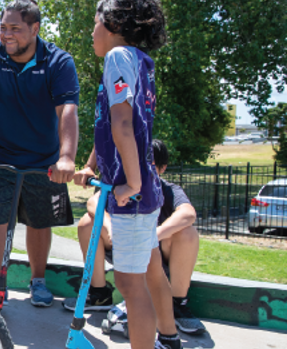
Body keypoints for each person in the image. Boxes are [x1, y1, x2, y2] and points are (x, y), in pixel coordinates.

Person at [73, 0, 181, 349]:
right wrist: (90, 165)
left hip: (131, 194)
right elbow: (114, 124)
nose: (91, 32)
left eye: (96, 22)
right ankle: (170, 337)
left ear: (114, 24)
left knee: (130, 286)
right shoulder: (139, 61)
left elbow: (122, 125)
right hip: (142, 188)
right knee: (150, 271)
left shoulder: (117, 58)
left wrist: (130, 184)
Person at [0, 0, 80, 307]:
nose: (6, 35)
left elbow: (67, 110)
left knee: (40, 222)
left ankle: (38, 281)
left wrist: (66, 158)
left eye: (15, 28)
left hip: (44, 160)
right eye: (3, 28)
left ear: (35, 28)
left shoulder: (58, 61)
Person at [64, 139, 205, 335]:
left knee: (188, 232)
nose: (144, 171)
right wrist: (112, 228)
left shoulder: (168, 190)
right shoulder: (120, 185)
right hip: (122, 247)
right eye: (139, 164)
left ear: (162, 169)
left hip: (156, 255)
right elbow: (93, 203)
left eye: (151, 166)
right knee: (88, 223)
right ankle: (99, 294)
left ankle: (177, 303)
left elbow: (188, 213)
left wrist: (153, 236)